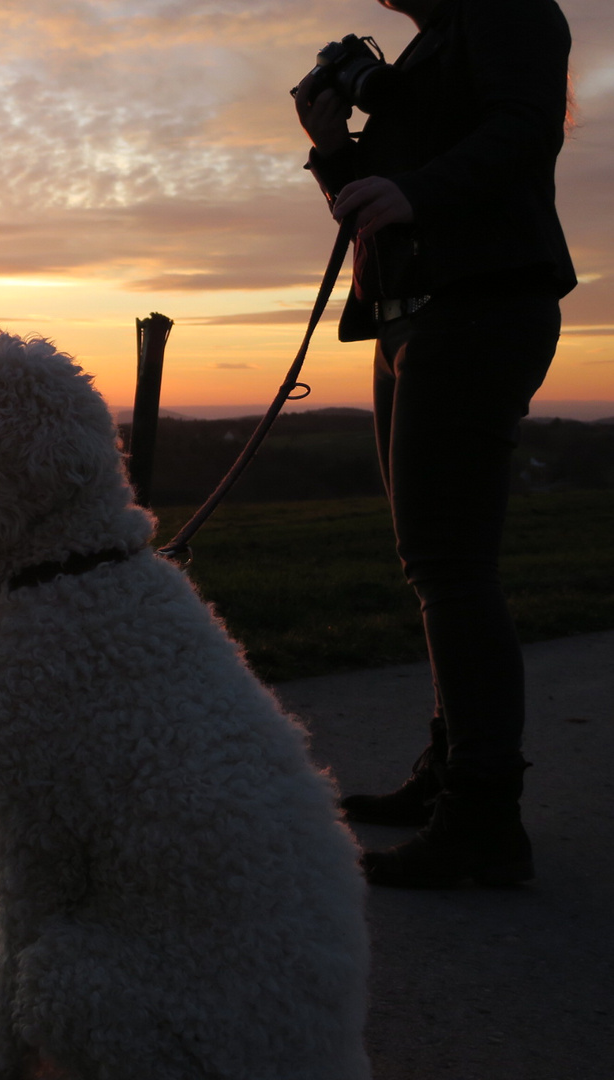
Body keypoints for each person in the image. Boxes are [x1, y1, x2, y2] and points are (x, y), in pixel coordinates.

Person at [293, 0, 575, 888]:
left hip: (480, 308)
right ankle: (452, 776)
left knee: (450, 568)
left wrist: (415, 187)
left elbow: (525, 131)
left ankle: (485, 817)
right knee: (436, 563)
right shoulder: (430, 49)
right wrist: (332, 144)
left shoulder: (514, 9)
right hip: (412, 317)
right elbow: (373, 205)